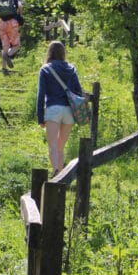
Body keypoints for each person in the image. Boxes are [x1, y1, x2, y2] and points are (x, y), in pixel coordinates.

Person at [36, 40, 83, 175]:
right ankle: (61, 178)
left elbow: (41, 94)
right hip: (69, 111)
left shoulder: (45, 69)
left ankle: (56, 172)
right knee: (60, 147)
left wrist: (40, 117)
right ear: (63, 53)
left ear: (49, 53)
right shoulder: (71, 69)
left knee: (53, 147)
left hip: (53, 109)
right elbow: (78, 92)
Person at [0, 0, 23, 74]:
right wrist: (20, 15)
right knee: (16, 45)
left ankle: (4, 68)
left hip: (1, 23)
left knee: (5, 46)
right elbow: (20, 6)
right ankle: (8, 55)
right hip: (12, 23)